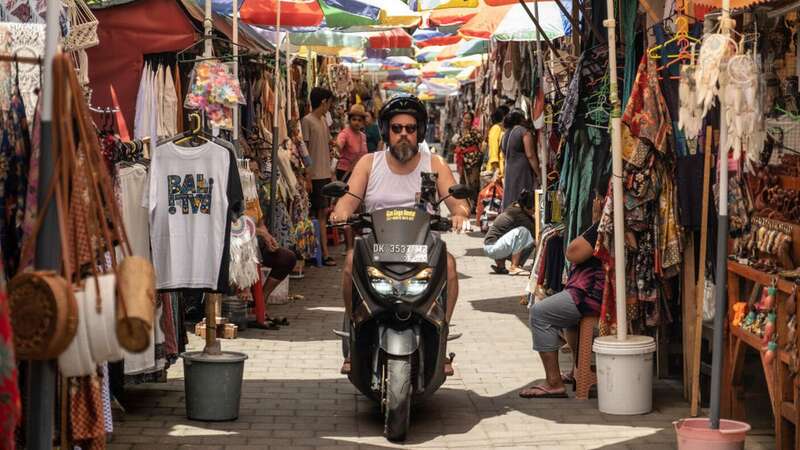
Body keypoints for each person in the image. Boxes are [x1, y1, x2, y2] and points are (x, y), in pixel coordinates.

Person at [331, 95, 470, 376]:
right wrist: (340, 212)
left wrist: (459, 212)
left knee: (451, 265)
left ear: (419, 131)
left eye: (410, 128)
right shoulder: (370, 163)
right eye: (397, 128)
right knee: (349, 261)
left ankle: (440, 337)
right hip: (377, 248)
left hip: (423, 248)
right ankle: (355, 331)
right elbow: (348, 199)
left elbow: (458, 202)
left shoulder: (436, 164)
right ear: (386, 131)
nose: (404, 134)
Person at [519, 194, 605, 398]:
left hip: (591, 293)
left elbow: (574, 253)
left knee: (540, 313)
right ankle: (579, 369)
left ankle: (553, 382)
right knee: (568, 320)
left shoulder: (606, 224)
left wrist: (596, 223)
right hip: (593, 291)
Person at [301, 87, 336, 266]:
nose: (329, 107)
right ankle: (315, 253)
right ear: (323, 102)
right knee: (312, 214)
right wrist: (307, 176)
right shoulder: (307, 121)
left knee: (322, 214)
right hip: (313, 175)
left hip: (324, 174)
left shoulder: (322, 121)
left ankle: (322, 253)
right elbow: (303, 148)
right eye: (329, 103)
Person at [252, 222, 298, 328]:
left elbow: (261, 223)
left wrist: (269, 240)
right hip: (239, 245)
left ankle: (261, 303)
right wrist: (263, 234)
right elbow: (236, 225)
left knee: (287, 258)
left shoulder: (254, 204)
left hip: (259, 246)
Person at [484, 190, 535, 276]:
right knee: (524, 233)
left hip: (490, 247)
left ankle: (501, 266)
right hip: (493, 248)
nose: (534, 212)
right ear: (526, 207)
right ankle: (514, 266)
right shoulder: (519, 214)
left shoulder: (513, 206)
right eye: (533, 210)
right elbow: (535, 232)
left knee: (509, 234)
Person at [501, 108, 540, 211]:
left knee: (511, 196)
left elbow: (504, 154)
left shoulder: (505, 134)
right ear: (521, 118)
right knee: (523, 196)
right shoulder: (524, 132)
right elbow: (530, 155)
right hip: (522, 170)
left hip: (509, 170)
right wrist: (539, 173)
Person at [454, 111, 483, 213]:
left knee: (473, 183)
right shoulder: (460, 131)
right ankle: (466, 205)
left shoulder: (475, 131)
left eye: (468, 118)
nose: (466, 120)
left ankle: (474, 206)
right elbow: (457, 143)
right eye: (465, 118)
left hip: (473, 160)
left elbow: (481, 143)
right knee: (464, 183)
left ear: (472, 120)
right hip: (463, 160)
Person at [335, 104, 368, 181]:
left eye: (360, 120)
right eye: (354, 119)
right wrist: (337, 145)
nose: (357, 122)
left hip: (359, 172)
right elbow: (338, 146)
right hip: (344, 172)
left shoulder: (363, 136)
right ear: (349, 120)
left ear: (363, 122)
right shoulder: (345, 133)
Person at [486, 105, 509, 178]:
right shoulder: (496, 128)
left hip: (502, 166)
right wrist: (496, 168)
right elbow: (493, 148)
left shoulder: (502, 128)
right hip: (497, 168)